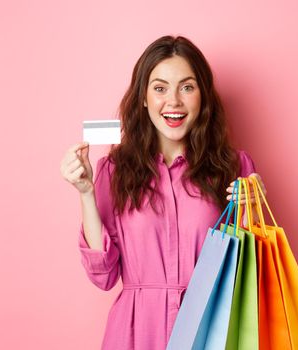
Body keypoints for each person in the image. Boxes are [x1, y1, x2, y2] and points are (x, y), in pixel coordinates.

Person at [59, 35, 267, 350]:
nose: (174, 101)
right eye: (159, 88)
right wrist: (86, 193)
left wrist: (256, 211)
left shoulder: (235, 166)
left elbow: (253, 275)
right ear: (143, 98)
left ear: (203, 96)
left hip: (211, 332)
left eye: (187, 87)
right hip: (136, 334)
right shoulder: (113, 171)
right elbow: (103, 277)